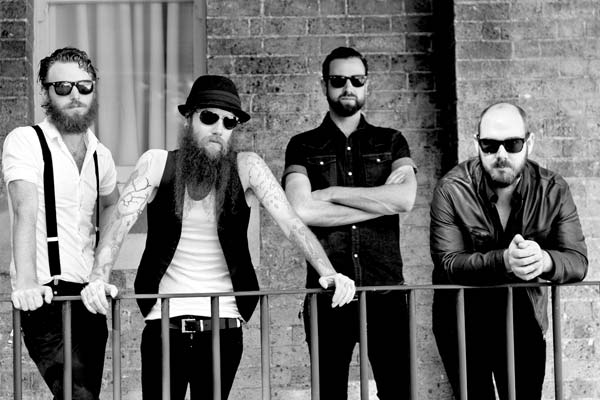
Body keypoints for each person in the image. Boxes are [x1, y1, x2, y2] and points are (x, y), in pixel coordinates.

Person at [79, 75, 356, 399]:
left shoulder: (248, 167)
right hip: (164, 327)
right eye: (209, 117)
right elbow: (118, 225)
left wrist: (329, 272)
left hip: (223, 329)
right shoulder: (157, 163)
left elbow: (292, 224)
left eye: (229, 121)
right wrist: (98, 277)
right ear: (189, 118)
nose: (219, 128)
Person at [282, 47, 418, 400]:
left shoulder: (391, 141)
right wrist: (380, 203)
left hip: (386, 295)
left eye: (357, 80)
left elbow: (405, 199)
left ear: (367, 84)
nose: (348, 87)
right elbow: (301, 210)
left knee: (399, 394)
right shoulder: (302, 145)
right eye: (338, 80)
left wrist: (329, 194)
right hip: (328, 296)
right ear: (324, 85)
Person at [430, 102, 588, 399]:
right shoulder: (452, 188)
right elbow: (448, 263)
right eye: (490, 145)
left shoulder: (553, 188)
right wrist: (505, 260)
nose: (501, 155)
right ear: (476, 143)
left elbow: (578, 261)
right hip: (461, 317)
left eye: (513, 144)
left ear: (529, 142)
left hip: (522, 316)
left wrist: (544, 260)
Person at [2, 47, 119, 399]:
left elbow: (112, 205)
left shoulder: (101, 155)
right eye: (63, 87)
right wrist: (25, 282)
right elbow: (24, 208)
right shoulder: (26, 141)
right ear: (45, 91)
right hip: (44, 297)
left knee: (84, 395)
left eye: (84, 86)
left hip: (87, 297)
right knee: (76, 395)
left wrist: (102, 269)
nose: (75, 95)